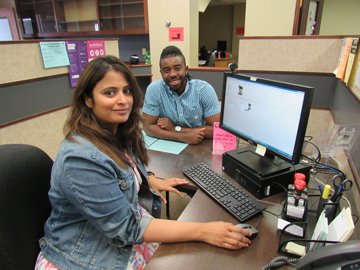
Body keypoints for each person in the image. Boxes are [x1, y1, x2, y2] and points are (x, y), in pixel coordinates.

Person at [35, 56, 251, 270]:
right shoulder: (80, 158)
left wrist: (147, 180)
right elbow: (128, 228)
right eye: (110, 93)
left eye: (127, 91)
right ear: (88, 99)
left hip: (119, 234)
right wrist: (203, 231)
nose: (123, 100)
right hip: (88, 255)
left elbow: (118, 173)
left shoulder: (117, 132)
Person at [142, 45, 221, 145]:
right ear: (161, 73)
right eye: (167, 70)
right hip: (168, 148)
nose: (173, 74)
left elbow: (217, 130)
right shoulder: (154, 90)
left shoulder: (203, 90)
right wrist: (181, 137)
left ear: (186, 69)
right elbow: (147, 126)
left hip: (200, 146)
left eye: (177, 68)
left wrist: (176, 129)